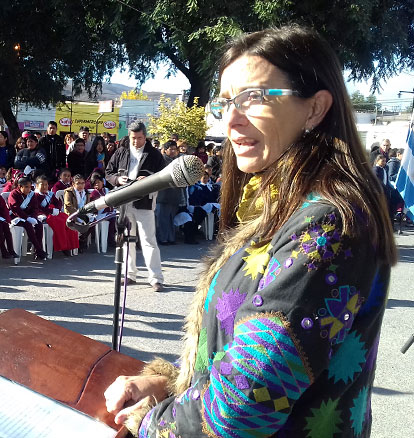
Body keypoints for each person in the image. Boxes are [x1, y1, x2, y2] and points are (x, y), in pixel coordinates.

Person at [105, 25, 396, 438]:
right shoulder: (279, 202)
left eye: (253, 97)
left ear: (315, 109)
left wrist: (150, 423)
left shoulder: (328, 221)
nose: (232, 120)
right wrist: (168, 384)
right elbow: (244, 358)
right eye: (226, 103)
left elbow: (245, 402)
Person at [105, 121, 165, 291]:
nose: (136, 142)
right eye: (133, 138)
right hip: (124, 199)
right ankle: (129, 274)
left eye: (139, 138)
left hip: (144, 200)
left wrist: (148, 180)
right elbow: (108, 172)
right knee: (126, 240)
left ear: (144, 137)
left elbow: (163, 176)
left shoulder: (154, 154)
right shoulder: (122, 151)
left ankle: (155, 278)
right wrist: (117, 180)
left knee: (148, 240)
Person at [34, 175, 75, 256]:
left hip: (53, 213)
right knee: (58, 222)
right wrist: (51, 210)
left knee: (67, 220)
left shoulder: (50, 194)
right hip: (42, 215)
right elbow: (38, 207)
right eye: (42, 185)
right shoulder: (35, 195)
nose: (45, 187)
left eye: (46, 184)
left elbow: (58, 203)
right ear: (37, 185)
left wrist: (56, 209)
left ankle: (68, 245)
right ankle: (62, 246)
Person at [7, 177, 47, 260]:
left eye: (30, 187)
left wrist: (33, 217)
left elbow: (35, 208)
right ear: (20, 186)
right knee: (28, 226)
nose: (28, 189)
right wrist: (26, 218)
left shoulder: (32, 194)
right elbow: (15, 208)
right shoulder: (14, 194)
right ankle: (39, 250)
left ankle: (37, 251)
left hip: (29, 216)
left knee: (39, 225)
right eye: (26, 187)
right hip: (16, 216)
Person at [63, 174, 93, 251]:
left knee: (93, 221)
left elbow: (88, 205)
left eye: (82, 183)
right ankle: (79, 242)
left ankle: (82, 240)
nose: (81, 185)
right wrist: (78, 214)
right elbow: (68, 206)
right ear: (73, 184)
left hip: (83, 213)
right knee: (80, 222)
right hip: (72, 214)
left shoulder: (86, 193)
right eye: (78, 183)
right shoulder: (69, 192)